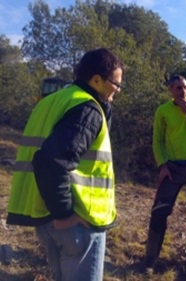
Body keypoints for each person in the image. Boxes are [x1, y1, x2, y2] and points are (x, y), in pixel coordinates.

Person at [6, 48, 124, 281]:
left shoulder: (52, 100)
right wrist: (64, 214)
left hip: (45, 214)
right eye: (116, 83)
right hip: (76, 221)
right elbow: (51, 161)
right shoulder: (87, 109)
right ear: (97, 80)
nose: (118, 90)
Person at [144, 74, 186, 278]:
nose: (183, 91)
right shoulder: (163, 111)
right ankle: (150, 260)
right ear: (170, 90)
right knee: (159, 211)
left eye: (185, 87)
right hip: (172, 168)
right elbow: (158, 141)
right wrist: (162, 165)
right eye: (178, 88)